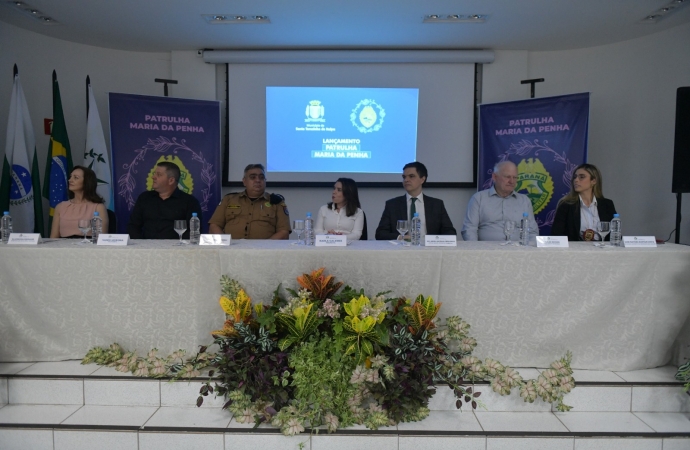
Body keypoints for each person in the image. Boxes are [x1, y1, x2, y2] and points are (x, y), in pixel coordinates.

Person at [375, 161, 456, 240]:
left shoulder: (436, 205)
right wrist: (401, 237)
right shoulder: (392, 205)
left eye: (411, 176)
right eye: (404, 177)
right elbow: (380, 233)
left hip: (429, 250)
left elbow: (450, 232)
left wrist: (433, 240)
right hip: (401, 249)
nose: (406, 180)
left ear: (422, 179)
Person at [461, 160, 538, 241]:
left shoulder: (524, 201)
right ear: (494, 177)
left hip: (517, 250)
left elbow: (532, 232)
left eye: (515, 177)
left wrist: (528, 251)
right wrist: (476, 251)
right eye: (507, 177)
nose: (512, 181)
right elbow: (469, 229)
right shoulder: (478, 198)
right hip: (486, 251)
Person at [208, 164, 290, 239]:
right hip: (231, 250)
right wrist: (224, 244)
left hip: (264, 252)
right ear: (244, 181)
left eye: (261, 177)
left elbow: (284, 232)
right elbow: (214, 225)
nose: (258, 180)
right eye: (253, 177)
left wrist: (265, 247)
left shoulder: (277, 202)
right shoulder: (229, 199)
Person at [127, 161, 201, 239]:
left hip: (177, 249)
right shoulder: (144, 198)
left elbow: (194, 231)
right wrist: (141, 246)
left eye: (159, 175)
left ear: (171, 180)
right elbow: (133, 226)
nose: (153, 177)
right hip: (147, 248)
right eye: (154, 174)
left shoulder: (189, 202)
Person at [551, 163, 617, 241]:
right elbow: (556, 234)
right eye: (575, 177)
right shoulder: (566, 204)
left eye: (581, 177)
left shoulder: (607, 204)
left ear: (593, 181)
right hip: (575, 250)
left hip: (602, 250)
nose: (576, 180)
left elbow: (615, 234)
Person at [50, 165, 109, 238]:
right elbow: (53, 238)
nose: (70, 180)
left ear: (87, 182)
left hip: (88, 247)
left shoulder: (98, 207)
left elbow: (101, 239)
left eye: (76, 178)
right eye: (70, 177)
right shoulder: (60, 207)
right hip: (64, 248)